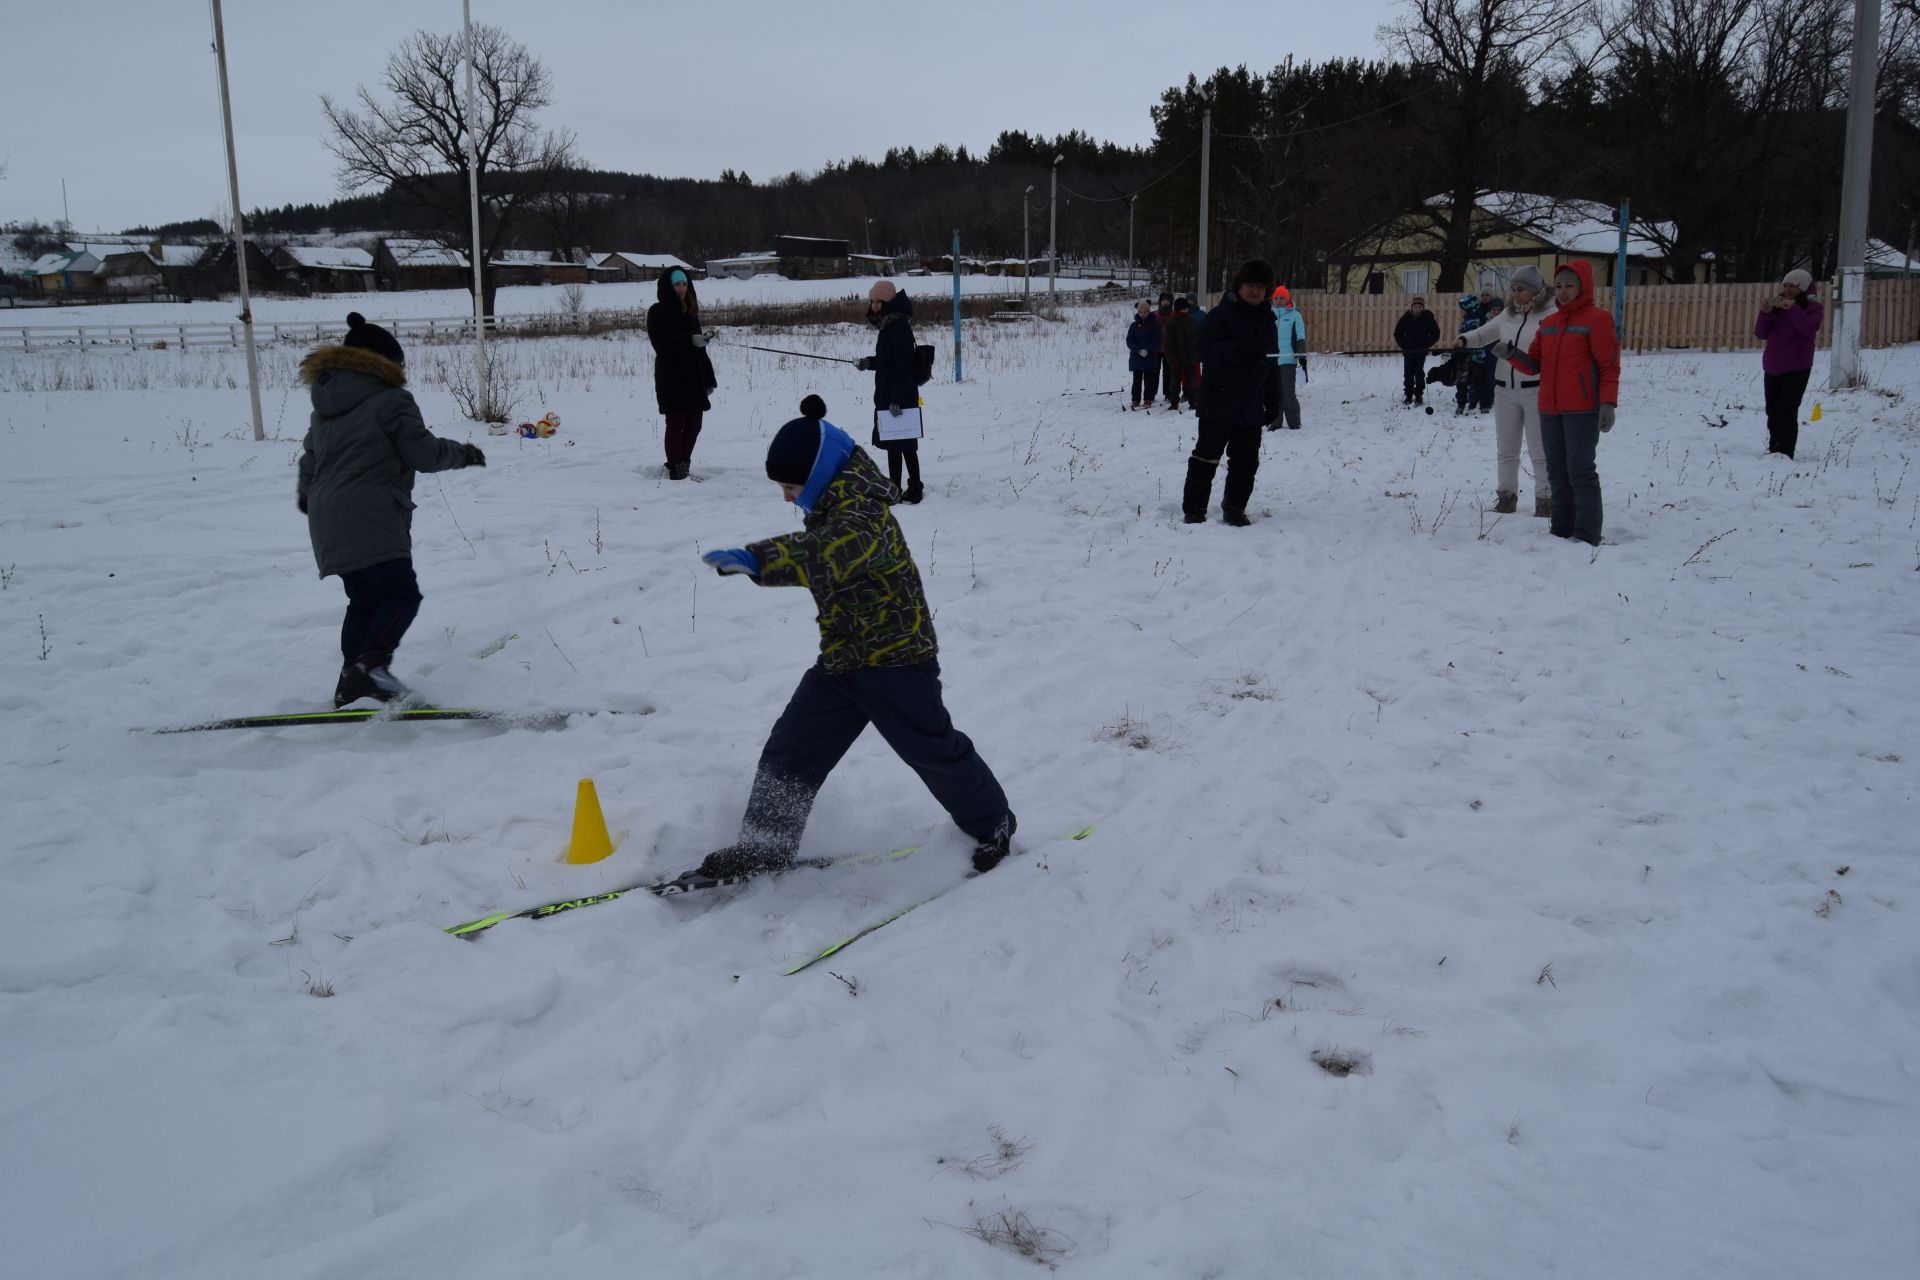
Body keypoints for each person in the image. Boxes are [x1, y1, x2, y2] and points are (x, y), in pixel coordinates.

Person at [694, 396, 1017, 877]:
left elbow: (829, 552)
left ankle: (993, 822)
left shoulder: (862, 515)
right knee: (792, 750)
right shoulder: (831, 504)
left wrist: (765, 560)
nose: (787, 496)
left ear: (821, 471)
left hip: (896, 660)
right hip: (845, 657)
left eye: (791, 485)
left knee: (930, 749)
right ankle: (763, 847)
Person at [297, 313, 485, 707]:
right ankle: (369, 670)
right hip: (372, 511)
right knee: (401, 595)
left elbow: (309, 462)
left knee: (364, 600)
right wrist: (464, 453)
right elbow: (423, 452)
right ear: (383, 363)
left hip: (326, 516)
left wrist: (309, 498)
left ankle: (352, 679)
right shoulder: (391, 399)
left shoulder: (325, 409)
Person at [1504, 261, 1620, 546]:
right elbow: (1533, 365)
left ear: (1583, 287)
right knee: (1557, 471)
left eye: (1570, 285)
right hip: (1550, 409)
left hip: (1582, 408)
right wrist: (1509, 354)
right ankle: (1561, 528)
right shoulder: (1550, 323)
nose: (1564, 291)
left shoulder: (1598, 319)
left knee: (1580, 469)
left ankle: (1587, 533)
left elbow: (1609, 366)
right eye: (1559, 286)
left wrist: (1607, 403)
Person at [1182, 260, 1280, 526]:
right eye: (1251, 285)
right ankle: (1194, 509)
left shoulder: (1268, 320)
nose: (1255, 292)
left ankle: (1234, 508)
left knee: (1246, 462)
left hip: (1251, 404)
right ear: (1239, 285)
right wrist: (1234, 351)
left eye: (1261, 287)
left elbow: (1271, 362)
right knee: (1206, 457)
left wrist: (1274, 400)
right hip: (1219, 400)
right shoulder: (1221, 315)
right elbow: (1202, 348)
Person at [1457, 265, 1553, 515]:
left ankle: (1546, 499)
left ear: (1535, 290)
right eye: (1513, 289)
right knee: (1507, 449)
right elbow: (1484, 334)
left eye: (1521, 289)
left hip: (1535, 389)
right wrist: (1465, 340)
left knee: (1539, 449)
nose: (1516, 294)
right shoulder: (1508, 314)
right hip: (1504, 390)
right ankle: (1506, 496)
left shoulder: (1551, 314)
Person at [854, 280, 923, 503]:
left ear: (888, 302)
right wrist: (868, 362)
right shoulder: (888, 325)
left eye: (878, 301)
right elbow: (888, 361)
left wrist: (896, 399)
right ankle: (894, 488)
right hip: (889, 394)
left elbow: (903, 366)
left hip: (899, 396)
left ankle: (915, 487)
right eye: (872, 301)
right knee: (894, 445)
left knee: (906, 446)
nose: (874, 306)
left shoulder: (898, 326)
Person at [646, 268, 716, 480]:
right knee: (676, 424)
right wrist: (688, 340)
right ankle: (675, 467)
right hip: (671, 376)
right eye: (677, 284)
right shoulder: (657, 311)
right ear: (669, 286)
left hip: (694, 376)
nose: (681, 288)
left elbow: (700, 350)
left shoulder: (691, 309)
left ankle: (684, 462)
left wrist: (709, 377)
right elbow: (661, 345)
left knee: (695, 424)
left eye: (684, 284)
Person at [1754, 268, 1822, 459]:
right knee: (1772, 410)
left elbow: (1808, 329)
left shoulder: (1813, 308)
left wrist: (1792, 308)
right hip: (1773, 366)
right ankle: (1774, 448)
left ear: (1802, 288)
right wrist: (1765, 313)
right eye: (1785, 285)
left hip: (1797, 367)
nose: (1788, 289)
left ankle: (1785, 451)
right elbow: (1761, 333)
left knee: (1787, 410)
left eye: (1793, 286)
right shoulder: (1777, 305)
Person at [1269, 284, 1307, 430]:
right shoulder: (1268, 315)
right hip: (1271, 360)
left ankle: (1294, 421)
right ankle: (1275, 421)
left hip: (1287, 360)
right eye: (1276, 298)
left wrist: (1301, 353)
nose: (1278, 300)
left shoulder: (1295, 315)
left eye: (1281, 298)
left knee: (1287, 393)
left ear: (1287, 299)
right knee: (1273, 392)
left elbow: (1300, 336)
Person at [1393, 295, 1440, 407]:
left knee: (1419, 372)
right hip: (1409, 351)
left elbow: (1435, 334)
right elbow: (1397, 333)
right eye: (1415, 306)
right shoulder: (1406, 318)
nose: (1417, 309)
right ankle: (1408, 394)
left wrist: (1426, 345)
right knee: (1408, 373)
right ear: (1412, 307)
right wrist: (1404, 344)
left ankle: (1418, 394)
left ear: (1423, 308)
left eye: (1420, 307)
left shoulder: (1428, 318)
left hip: (1421, 351)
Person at [1455, 295, 1495, 416]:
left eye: (1462, 309)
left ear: (1468, 309)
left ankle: (1481, 404)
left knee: (1475, 381)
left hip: (1475, 357)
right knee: (1465, 382)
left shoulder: (1474, 322)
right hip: (1468, 357)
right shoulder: (1470, 320)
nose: (1460, 311)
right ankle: (1466, 404)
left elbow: (1475, 338)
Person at [1162, 296, 1201, 411]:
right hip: (1178, 359)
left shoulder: (1191, 321)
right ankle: (1175, 403)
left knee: (1191, 382)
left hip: (1190, 358)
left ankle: (1193, 402)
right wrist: (1172, 360)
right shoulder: (1172, 323)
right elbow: (1168, 345)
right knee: (1175, 382)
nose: (1186, 310)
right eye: (1184, 308)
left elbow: (1197, 339)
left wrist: (1197, 355)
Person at [1126, 300, 1162, 409]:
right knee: (1136, 380)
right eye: (1141, 312)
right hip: (1136, 356)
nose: (1143, 314)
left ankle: (1148, 399)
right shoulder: (1133, 325)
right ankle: (1135, 399)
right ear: (1138, 312)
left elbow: (1156, 338)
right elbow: (1129, 340)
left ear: (1148, 311)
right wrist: (1138, 350)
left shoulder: (1154, 324)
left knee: (1149, 379)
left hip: (1149, 356)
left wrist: (1147, 349)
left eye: (1145, 312)